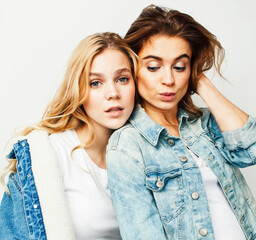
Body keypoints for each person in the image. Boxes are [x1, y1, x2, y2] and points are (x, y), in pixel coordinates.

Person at [106, 5, 256, 240]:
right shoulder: (127, 146)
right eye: (154, 67)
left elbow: (250, 151)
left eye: (179, 66)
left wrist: (202, 82)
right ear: (134, 69)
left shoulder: (205, 123)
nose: (168, 79)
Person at [0, 32, 137, 239]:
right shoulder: (48, 155)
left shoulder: (142, 154)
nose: (113, 93)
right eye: (95, 83)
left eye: (123, 79)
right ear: (78, 89)